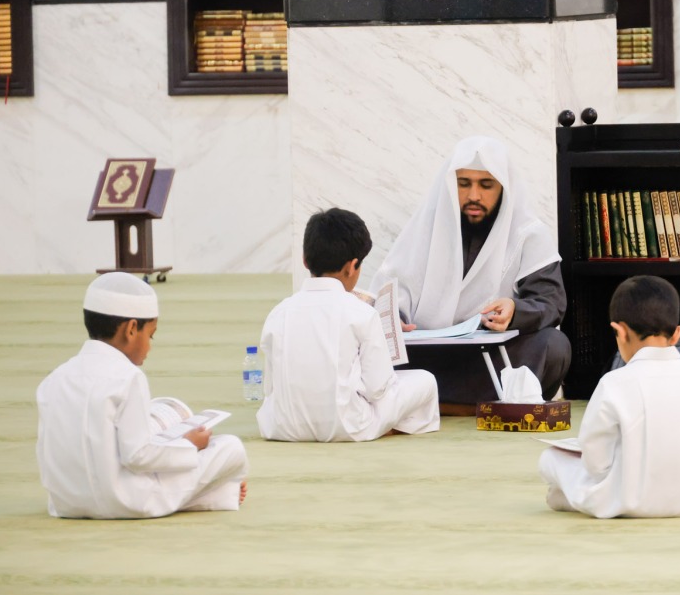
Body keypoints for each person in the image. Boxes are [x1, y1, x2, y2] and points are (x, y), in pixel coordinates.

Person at [370, 136, 570, 406]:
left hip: (491, 354)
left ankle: (435, 401)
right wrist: (396, 319)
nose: (474, 196)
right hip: (428, 357)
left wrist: (515, 311)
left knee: (553, 345)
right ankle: (468, 402)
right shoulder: (424, 229)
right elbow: (390, 294)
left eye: (486, 185)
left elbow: (551, 302)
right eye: (464, 184)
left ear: (504, 188)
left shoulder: (528, 234)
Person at [36, 272, 249, 518]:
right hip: (125, 501)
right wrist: (190, 445)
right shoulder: (128, 377)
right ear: (131, 329)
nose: (149, 345)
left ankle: (218, 496)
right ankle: (214, 493)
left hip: (66, 503)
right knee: (229, 447)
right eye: (151, 335)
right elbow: (138, 456)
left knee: (154, 427)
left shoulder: (54, 379)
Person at [538, 276, 680, 518]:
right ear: (677, 334)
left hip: (632, 501)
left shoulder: (613, 383)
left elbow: (596, 465)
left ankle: (576, 498)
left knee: (551, 458)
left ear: (619, 331)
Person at [256, 208, 439, 441]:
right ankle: (391, 428)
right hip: (349, 426)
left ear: (304, 259)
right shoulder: (361, 313)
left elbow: (270, 388)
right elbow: (378, 389)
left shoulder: (278, 312)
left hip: (282, 427)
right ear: (352, 266)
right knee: (426, 380)